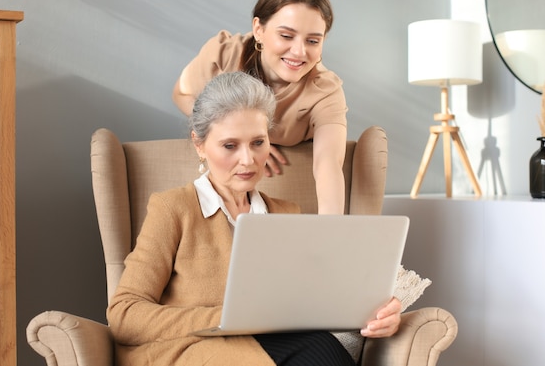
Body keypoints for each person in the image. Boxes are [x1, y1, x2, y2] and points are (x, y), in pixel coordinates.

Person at [108, 72, 401, 366]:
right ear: (199, 145)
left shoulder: (287, 215)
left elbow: (317, 301)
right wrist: (228, 317)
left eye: (258, 142)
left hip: (279, 348)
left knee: (323, 351)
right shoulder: (173, 208)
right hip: (193, 352)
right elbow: (124, 315)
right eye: (230, 146)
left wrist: (377, 313)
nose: (248, 160)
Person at [172, 0, 347, 215]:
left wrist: (333, 231)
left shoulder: (325, 91)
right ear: (258, 29)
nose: (299, 51)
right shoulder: (225, 53)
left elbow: (328, 163)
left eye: (313, 41)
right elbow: (181, 93)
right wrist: (244, 138)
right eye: (286, 36)